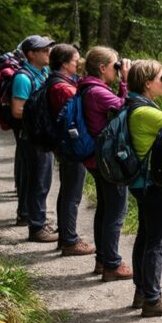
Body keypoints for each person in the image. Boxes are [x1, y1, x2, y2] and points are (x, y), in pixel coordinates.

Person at [124, 60, 162, 316]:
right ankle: (152, 299)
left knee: (146, 236)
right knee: (158, 242)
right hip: (154, 185)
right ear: (148, 83)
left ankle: (144, 290)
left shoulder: (137, 104)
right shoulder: (144, 113)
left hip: (142, 183)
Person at [79, 47, 133, 281]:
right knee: (116, 211)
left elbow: (118, 106)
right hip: (107, 161)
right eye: (115, 66)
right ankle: (111, 263)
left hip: (96, 158)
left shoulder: (88, 88)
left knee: (104, 208)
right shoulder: (97, 92)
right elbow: (127, 109)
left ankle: (103, 259)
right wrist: (126, 81)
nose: (117, 69)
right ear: (102, 68)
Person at [45, 44, 95, 257]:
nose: (79, 63)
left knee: (67, 191)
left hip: (63, 145)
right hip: (71, 146)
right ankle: (69, 240)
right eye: (76, 60)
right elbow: (79, 111)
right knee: (72, 194)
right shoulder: (63, 89)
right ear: (65, 64)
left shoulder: (56, 82)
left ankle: (66, 235)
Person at [10, 35, 56, 242]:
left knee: (39, 179)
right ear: (31, 54)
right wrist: (43, 114)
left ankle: (32, 218)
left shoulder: (43, 72)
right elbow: (17, 110)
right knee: (39, 181)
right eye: (43, 50)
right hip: (32, 137)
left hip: (39, 135)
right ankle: (37, 227)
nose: (48, 52)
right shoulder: (23, 78)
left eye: (48, 49)